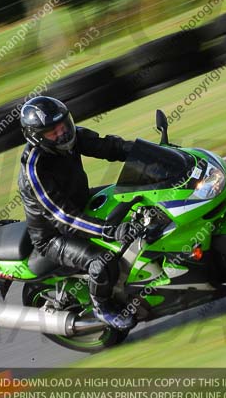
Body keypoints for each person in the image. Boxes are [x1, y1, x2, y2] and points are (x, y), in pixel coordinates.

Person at [18, 95, 144, 331]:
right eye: (52, 132)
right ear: (37, 137)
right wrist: (110, 231)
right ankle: (102, 307)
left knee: (139, 198)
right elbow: (62, 217)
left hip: (80, 204)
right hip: (54, 234)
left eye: (63, 125)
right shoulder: (33, 169)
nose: (62, 133)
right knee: (102, 260)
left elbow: (110, 147)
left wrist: (148, 152)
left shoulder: (72, 136)